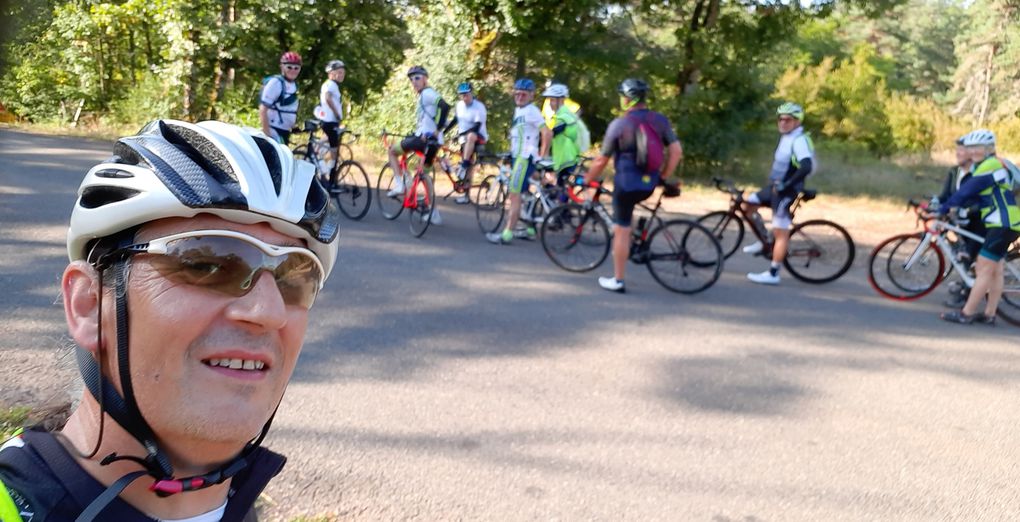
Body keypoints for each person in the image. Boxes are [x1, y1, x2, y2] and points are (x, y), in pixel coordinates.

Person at [0, 119, 341, 520]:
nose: (268, 311)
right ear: (89, 305)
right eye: (207, 264)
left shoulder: (242, 505)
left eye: (295, 277)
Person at [583, 78, 683, 293]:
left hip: (626, 185)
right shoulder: (660, 121)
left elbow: (601, 160)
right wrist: (663, 176)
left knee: (621, 230)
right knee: (630, 222)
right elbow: (676, 152)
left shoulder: (619, 124)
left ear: (628, 99)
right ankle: (639, 239)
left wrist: (587, 179)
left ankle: (618, 280)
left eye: (622, 96)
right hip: (649, 184)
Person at [937, 129, 1020, 325]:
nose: (973, 151)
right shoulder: (998, 163)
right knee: (995, 270)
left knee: (983, 268)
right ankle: (990, 314)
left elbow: (966, 191)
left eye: (978, 148)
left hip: (1002, 223)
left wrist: (942, 208)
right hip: (1007, 222)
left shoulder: (988, 166)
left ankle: (966, 313)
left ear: (989, 148)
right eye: (970, 148)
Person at [742, 102, 817, 285]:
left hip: (787, 191)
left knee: (780, 233)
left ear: (797, 122)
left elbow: (806, 166)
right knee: (747, 205)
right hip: (775, 187)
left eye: (788, 120)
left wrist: (787, 184)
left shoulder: (799, 140)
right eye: (781, 119)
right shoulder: (787, 137)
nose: (783, 123)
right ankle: (764, 240)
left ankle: (773, 273)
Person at [486, 78, 549, 244]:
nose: (520, 96)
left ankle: (507, 233)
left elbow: (547, 133)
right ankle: (529, 229)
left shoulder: (531, 110)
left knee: (514, 196)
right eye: (518, 93)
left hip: (525, 158)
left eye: (524, 94)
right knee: (525, 194)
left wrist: (542, 156)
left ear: (531, 95)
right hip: (518, 157)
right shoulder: (518, 110)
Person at [386, 65, 450, 225]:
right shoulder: (424, 96)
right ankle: (433, 212)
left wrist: (437, 129)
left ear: (425, 78)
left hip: (422, 140)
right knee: (424, 174)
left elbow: (445, 106)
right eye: (411, 79)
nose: (414, 81)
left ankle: (400, 184)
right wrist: (437, 131)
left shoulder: (428, 94)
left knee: (392, 152)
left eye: (417, 78)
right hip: (433, 143)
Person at [938, 135, 982, 307]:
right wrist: (933, 205)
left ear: (971, 153)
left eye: (962, 150)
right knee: (961, 253)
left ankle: (966, 295)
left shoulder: (979, 173)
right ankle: (965, 286)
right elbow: (946, 196)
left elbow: (977, 200)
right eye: (957, 150)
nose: (958, 153)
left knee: (969, 257)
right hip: (961, 222)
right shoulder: (953, 171)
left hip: (978, 221)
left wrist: (966, 210)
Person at [445, 81, 488, 204]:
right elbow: (455, 120)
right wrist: (443, 132)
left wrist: (461, 134)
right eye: (462, 95)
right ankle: (466, 195)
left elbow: (477, 126)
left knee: (470, 138)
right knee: (470, 165)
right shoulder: (459, 105)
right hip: (465, 139)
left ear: (471, 93)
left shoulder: (479, 107)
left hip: (478, 137)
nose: (464, 97)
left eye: (466, 95)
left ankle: (463, 165)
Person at [538, 82, 581, 197]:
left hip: (567, 158)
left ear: (561, 100)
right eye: (550, 100)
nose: (550, 103)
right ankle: (559, 209)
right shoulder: (560, 114)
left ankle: (563, 212)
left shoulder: (564, 115)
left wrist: (538, 144)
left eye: (552, 100)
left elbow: (552, 133)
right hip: (563, 156)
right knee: (557, 186)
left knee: (561, 188)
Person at [259, 51, 302, 145]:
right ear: (282, 66)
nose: (293, 70)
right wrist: (267, 135)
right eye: (289, 67)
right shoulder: (276, 83)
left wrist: (293, 125)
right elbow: (263, 109)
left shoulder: (293, 84)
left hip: (285, 130)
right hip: (274, 131)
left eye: (296, 68)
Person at [315, 59, 347, 174]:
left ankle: (319, 157)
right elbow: (328, 98)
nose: (341, 75)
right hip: (330, 119)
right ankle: (329, 168)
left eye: (343, 73)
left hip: (330, 120)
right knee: (334, 147)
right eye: (339, 72)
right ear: (331, 73)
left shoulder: (332, 85)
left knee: (327, 139)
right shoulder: (330, 84)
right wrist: (337, 113)